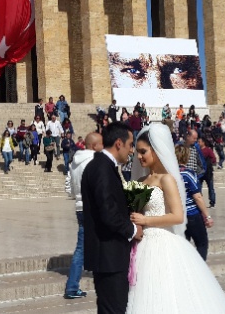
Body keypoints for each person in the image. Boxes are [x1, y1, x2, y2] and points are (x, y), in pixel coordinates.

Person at [126, 124, 225, 313]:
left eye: (143, 152)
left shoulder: (166, 179)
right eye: (137, 152)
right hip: (142, 244)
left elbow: (177, 216)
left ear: (156, 150)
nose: (139, 156)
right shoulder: (139, 182)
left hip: (161, 242)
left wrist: (146, 221)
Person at [80, 122, 141, 313]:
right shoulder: (101, 168)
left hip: (110, 255)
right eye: (131, 145)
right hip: (108, 256)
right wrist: (132, 230)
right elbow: (107, 211)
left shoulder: (103, 166)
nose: (132, 151)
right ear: (118, 143)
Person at [63, 132, 103, 300]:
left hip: (80, 207)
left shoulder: (74, 162)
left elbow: (69, 187)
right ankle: (72, 286)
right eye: (101, 143)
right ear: (94, 146)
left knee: (85, 245)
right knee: (83, 248)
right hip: (93, 208)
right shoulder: (96, 161)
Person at [175, 144, 213, 260]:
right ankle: (200, 269)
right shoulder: (188, 174)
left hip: (179, 216)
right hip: (192, 215)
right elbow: (197, 197)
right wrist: (207, 215)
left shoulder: (172, 175)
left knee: (184, 245)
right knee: (202, 243)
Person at [198, 138, 217, 207]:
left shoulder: (208, 150)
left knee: (211, 188)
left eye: (199, 142)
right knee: (198, 188)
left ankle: (212, 202)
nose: (198, 143)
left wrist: (208, 163)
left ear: (203, 142)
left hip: (208, 172)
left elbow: (213, 158)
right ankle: (199, 202)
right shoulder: (197, 150)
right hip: (200, 172)